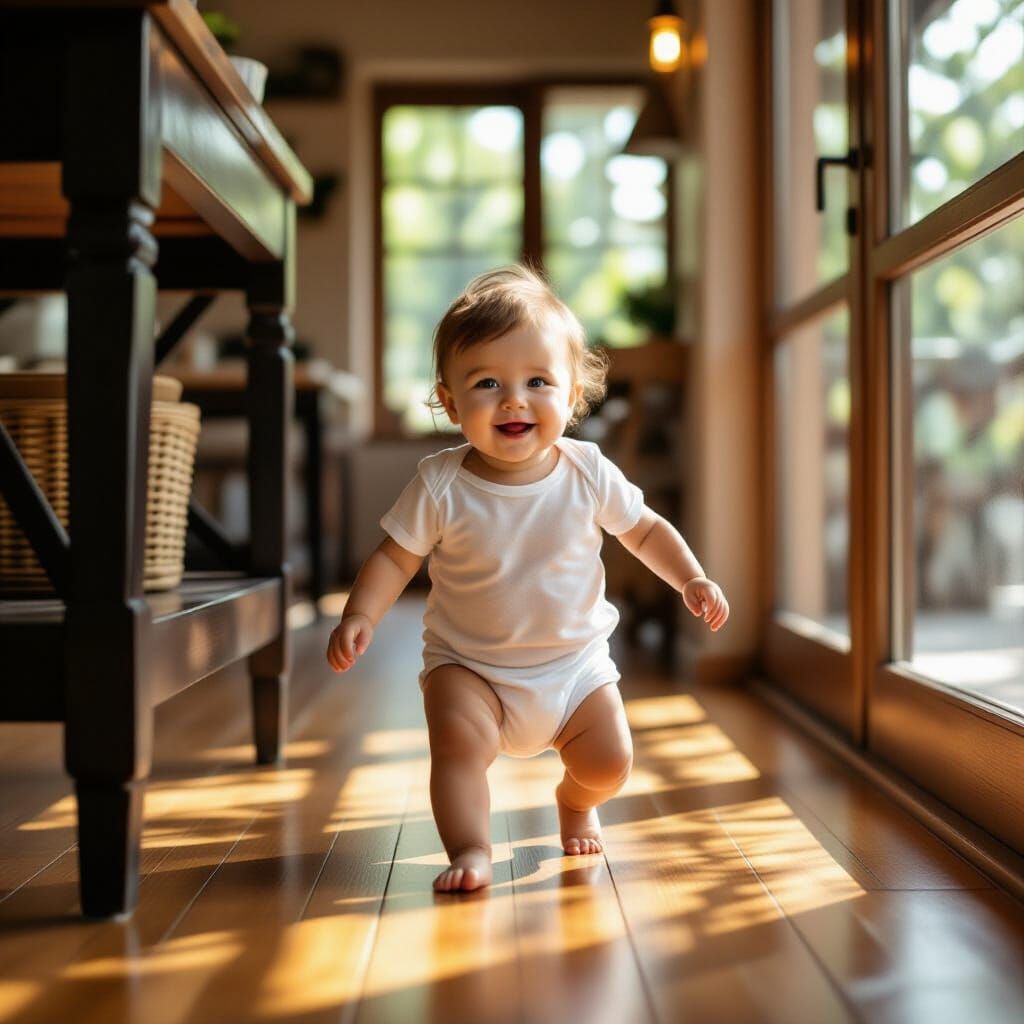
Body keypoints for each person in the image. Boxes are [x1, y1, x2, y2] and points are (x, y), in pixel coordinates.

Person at [326, 265, 728, 892]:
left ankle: (574, 799)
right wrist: (360, 614)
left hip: (574, 668)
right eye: (487, 383)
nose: (513, 399)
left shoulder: (586, 470)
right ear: (451, 402)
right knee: (457, 751)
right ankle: (471, 848)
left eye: (537, 381)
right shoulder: (440, 482)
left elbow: (644, 529)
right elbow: (393, 558)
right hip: (470, 668)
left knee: (611, 762)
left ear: (571, 398)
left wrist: (692, 578)